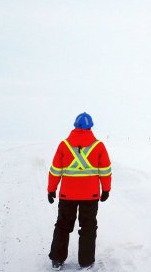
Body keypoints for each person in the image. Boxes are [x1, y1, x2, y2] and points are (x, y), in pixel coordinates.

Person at [47, 112, 112, 271]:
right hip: (90, 197)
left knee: (62, 226)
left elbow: (55, 170)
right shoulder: (99, 146)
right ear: (91, 126)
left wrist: (51, 189)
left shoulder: (64, 145)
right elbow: (105, 171)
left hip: (67, 195)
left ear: (75, 126)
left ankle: (57, 259)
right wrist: (106, 190)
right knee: (88, 228)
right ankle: (86, 262)